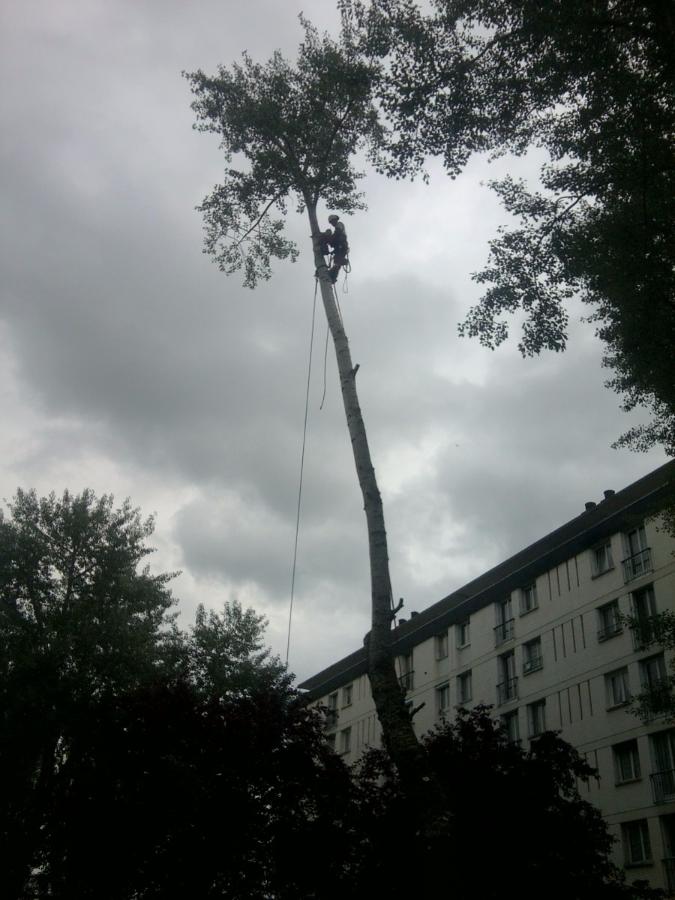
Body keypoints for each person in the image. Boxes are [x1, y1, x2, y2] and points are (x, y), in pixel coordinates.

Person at [327, 214, 349, 283]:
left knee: (337, 260)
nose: (332, 223)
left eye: (332, 221)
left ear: (335, 220)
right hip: (340, 247)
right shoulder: (337, 229)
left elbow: (338, 233)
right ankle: (333, 277)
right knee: (337, 264)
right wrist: (333, 251)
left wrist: (330, 239)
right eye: (331, 222)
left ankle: (344, 261)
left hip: (342, 245)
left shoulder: (339, 224)